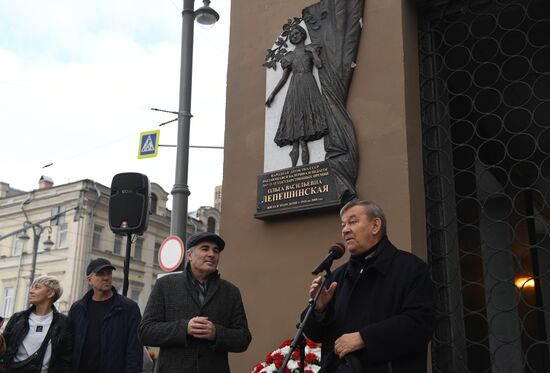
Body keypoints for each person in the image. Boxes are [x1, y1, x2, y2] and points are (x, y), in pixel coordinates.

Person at [303, 200, 434, 373]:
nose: (345, 230)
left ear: (375, 225)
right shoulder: (337, 277)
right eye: (343, 225)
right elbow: (314, 334)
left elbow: (420, 324)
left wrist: (364, 338)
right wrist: (319, 311)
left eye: (353, 222)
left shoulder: (411, 269)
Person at [139, 231, 252, 373]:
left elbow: (243, 338)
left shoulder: (231, 292)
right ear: (189, 255)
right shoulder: (165, 285)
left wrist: (216, 333)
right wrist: (184, 328)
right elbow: (145, 331)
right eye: (205, 248)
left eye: (216, 250)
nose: (211, 254)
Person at [266, 24, 328, 167]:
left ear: (302, 34)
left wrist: (313, 52)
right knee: (294, 124)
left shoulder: (310, 49)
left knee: (305, 125)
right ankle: (294, 166)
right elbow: (284, 79)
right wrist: (273, 94)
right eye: (292, 35)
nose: (294, 36)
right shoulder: (289, 56)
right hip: (294, 88)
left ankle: (305, 167)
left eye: (296, 33)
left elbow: (319, 65)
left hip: (308, 86)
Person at [68, 258, 143, 373]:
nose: (106, 278)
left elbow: (135, 351)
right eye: (100, 274)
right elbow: (69, 347)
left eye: (109, 273)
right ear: (89, 280)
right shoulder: (77, 309)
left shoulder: (128, 308)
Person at [0, 276, 71, 373]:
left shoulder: (63, 323)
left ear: (50, 293)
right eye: (31, 287)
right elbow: (3, 350)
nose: (31, 291)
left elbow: (65, 359)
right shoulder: (18, 318)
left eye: (37, 287)